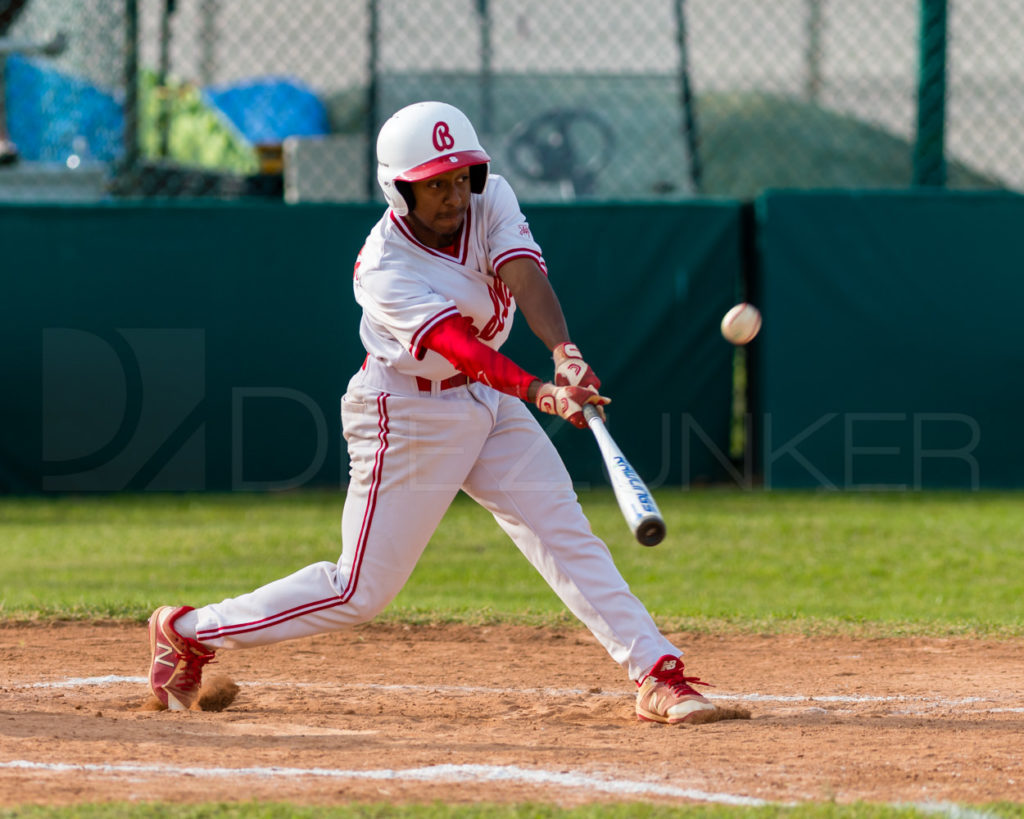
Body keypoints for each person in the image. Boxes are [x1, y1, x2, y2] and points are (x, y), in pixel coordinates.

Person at [147, 100, 717, 725]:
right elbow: (459, 348)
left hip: (490, 400)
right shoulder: (384, 266)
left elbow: (524, 275)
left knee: (564, 533)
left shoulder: (490, 197)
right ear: (400, 189)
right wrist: (540, 392)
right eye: (434, 184)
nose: (453, 196)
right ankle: (191, 631)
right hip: (405, 411)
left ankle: (657, 673)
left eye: (459, 178)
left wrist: (565, 352)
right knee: (358, 592)